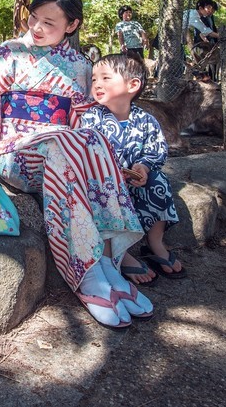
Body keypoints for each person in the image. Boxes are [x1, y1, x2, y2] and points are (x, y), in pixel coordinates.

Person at [0, 0, 148, 330]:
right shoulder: (10, 52)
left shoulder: (80, 65)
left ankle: (108, 263)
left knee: (90, 139)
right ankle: (88, 272)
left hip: (62, 148)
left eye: (49, 23)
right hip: (15, 153)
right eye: (34, 18)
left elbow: (84, 118)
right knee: (61, 146)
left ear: (72, 26)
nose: (37, 28)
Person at [80, 54, 185, 284]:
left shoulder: (146, 120)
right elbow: (86, 153)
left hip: (135, 182)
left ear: (133, 85)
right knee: (104, 192)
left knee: (159, 183)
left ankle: (155, 241)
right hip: (104, 183)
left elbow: (156, 150)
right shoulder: (91, 119)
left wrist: (144, 168)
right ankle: (122, 252)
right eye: (94, 79)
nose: (97, 84)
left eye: (105, 78)